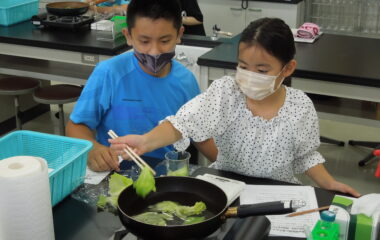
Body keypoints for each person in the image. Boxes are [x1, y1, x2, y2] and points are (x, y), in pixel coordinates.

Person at [110, 18, 360, 197]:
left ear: (287, 68)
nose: (249, 76)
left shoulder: (300, 106)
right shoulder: (225, 92)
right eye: (243, 66)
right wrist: (145, 141)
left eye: (262, 70)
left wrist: (329, 183)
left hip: (278, 193)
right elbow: (182, 123)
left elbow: (306, 156)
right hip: (225, 188)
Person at [67, 0, 214, 172]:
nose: (154, 51)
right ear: (128, 36)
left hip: (166, 172)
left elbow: (199, 132)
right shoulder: (109, 73)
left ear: (179, 34)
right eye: (144, 41)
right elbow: (76, 125)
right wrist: (93, 149)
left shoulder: (186, 81)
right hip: (115, 168)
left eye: (165, 40)